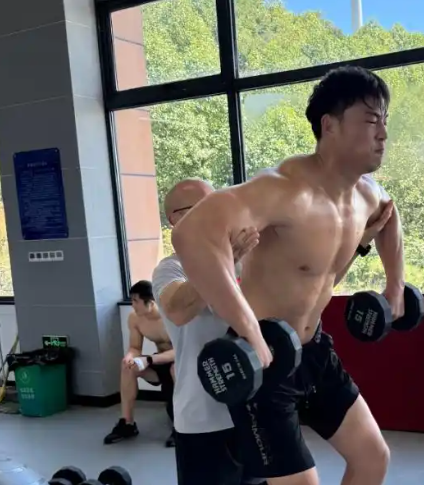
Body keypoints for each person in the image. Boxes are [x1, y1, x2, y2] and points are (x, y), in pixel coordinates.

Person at [171, 65, 403, 485]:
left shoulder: (366, 194)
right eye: (371, 121)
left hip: (315, 351)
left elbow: (391, 218)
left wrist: (394, 286)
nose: (383, 133)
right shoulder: (283, 189)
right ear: (329, 125)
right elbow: (192, 234)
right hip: (265, 362)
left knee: (373, 457)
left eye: (385, 121)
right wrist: (248, 327)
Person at [153, 178, 261, 485]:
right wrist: (224, 262)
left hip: (254, 411)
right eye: (202, 208)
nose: (215, 214)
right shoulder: (170, 269)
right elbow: (177, 310)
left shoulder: (246, 259)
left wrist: (359, 244)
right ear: (175, 220)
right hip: (203, 419)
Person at [104, 280, 176, 448]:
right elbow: (135, 347)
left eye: (136, 301)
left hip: (180, 362)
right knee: (127, 367)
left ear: (150, 302)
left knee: (176, 368)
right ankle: (127, 423)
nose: (132, 305)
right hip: (159, 361)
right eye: (131, 300)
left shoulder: (172, 317)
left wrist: (148, 360)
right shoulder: (135, 319)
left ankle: (181, 427)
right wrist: (130, 357)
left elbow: (181, 350)